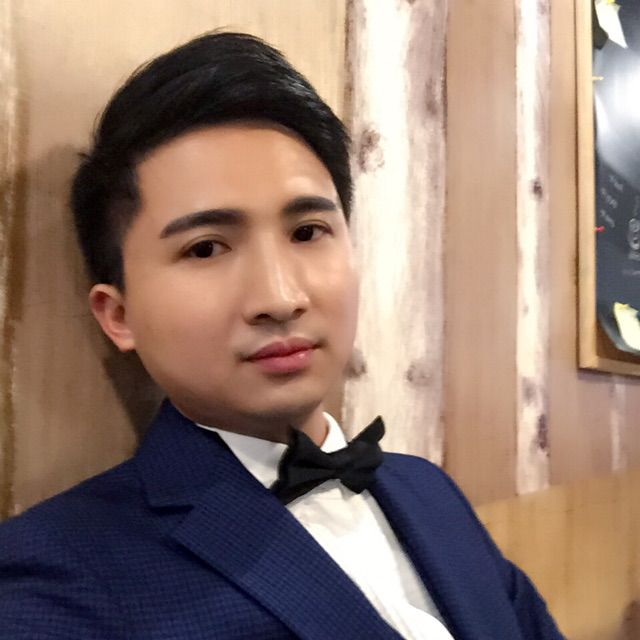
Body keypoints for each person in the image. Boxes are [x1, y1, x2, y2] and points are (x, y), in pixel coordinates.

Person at [0, 32, 565, 640]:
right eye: (206, 248)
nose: (279, 297)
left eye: (307, 232)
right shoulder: (58, 575)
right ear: (119, 316)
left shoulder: (429, 491)